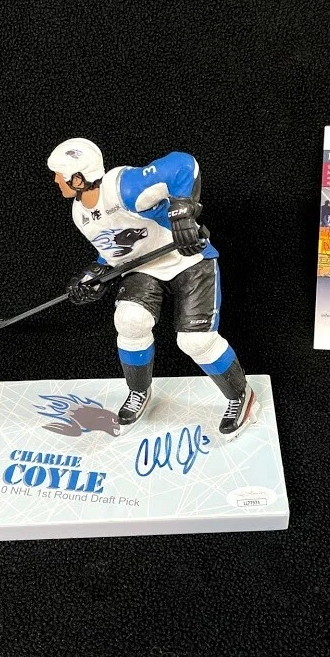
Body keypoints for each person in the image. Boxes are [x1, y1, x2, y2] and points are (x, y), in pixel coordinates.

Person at [47, 138, 256, 438]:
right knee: (129, 320)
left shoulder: (123, 188)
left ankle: (240, 394)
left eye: (59, 174)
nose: (56, 180)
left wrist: (182, 210)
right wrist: (95, 275)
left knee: (196, 342)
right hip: (145, 267)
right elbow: (116, 252)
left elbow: (183, 164)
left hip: (188, 259)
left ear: (77, 179)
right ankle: (138, 390)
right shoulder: (80, 214)